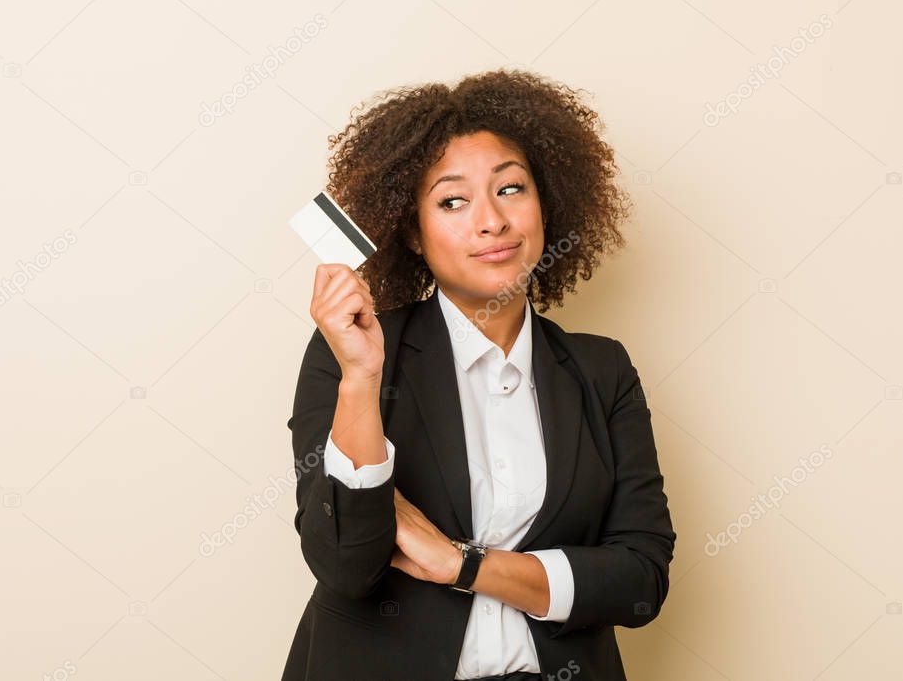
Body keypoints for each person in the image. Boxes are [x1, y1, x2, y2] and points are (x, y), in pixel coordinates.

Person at [282, 69, 676, 681]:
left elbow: (639, 581)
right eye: (452, 200)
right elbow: (344, 563)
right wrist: (361, 376)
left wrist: (459, 563)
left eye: (511, 189)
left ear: (547, 204)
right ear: (412, 232)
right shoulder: (349, 352)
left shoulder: (603, 370)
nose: (491, 221)